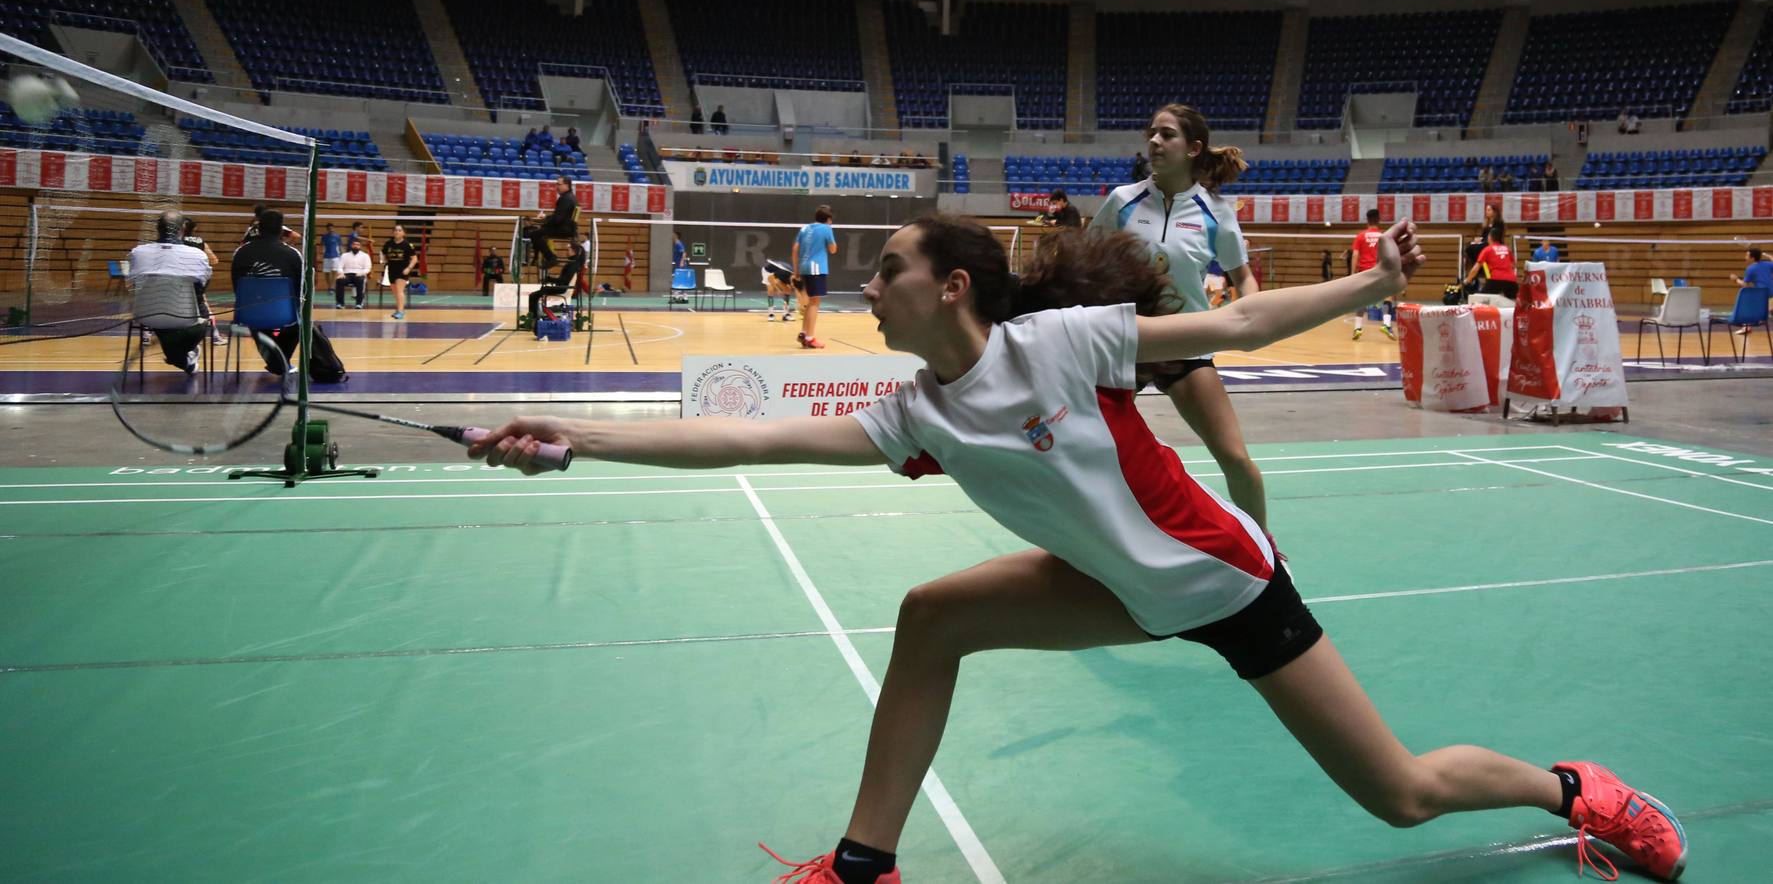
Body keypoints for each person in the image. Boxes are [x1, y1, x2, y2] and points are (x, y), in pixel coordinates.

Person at [468, 215, 1688, 884]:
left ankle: (1576, 790)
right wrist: (568, 437)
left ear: (951, 287)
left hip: (1226, 583)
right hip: (1110, 588)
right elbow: (746, 439)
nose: (866, 280)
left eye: (887, 267)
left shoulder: (1057, 344)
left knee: (1402, 797)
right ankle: (862, 865)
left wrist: (1367, 281)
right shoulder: (914, 414)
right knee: (930, 615)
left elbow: (1242, 319)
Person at [1088, 103, 1268, 529]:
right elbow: (1085, 263)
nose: (1154, 141)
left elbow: (1243, 278)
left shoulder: (1215, 212)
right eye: (1152, 133)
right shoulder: (1122, 202)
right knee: (1091, 454)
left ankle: (1268, 557)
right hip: (1127, 343)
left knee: (1236, 459)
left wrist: (1250, 318)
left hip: (1188, 345)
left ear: (1193, 148)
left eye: (1167, 135)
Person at [129, 210, 211, 375]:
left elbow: (134, 282)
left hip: (147, 317)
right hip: (186, 317)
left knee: (166, 321)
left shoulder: (137, 253)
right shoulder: (198, 255)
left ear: (157, 229)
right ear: (183, 229)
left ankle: (181, 358)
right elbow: (202, 286)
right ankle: (183, 355)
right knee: (201, 318)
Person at [232, 209, 306, 373]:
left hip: (248, 312)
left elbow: (237, 287)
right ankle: (279, 362)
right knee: (298, 325)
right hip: (284, 312)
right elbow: (300, 290)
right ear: (281, 230)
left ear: (259, 228)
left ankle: (277, 362)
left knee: (256, 322)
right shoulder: (293, 254)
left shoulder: (241, 252)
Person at [791, 204, 837, 349]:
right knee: (814, 302)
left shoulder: (805, 228)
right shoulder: (826, 229)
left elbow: (795, 249)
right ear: (829, 219)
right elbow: (833, 249)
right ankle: (810, 338)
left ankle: (804, 333)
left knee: (810, 302)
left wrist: (796, 270)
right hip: (816, 268)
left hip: (804, 267)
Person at [1348, 209, 1393, 340]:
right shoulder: (1384, 236)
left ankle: (1357, 327)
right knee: (1388, 296)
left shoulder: (1361, 236)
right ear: (1379, 220)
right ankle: (1386, 324)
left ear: (1367, 220)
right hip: (1379, 270)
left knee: (1362, 299)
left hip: (1364, 272)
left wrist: (1352, 273)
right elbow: (1388, 255)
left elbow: (1355, 254)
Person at [180, 217, 225, 345]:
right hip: (195, 280)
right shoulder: (201, 243)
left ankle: (146, 335)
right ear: (194, 229)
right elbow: (214, 260)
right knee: (203, 305)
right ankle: (215, 336)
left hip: (177, 281)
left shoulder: (175, 242)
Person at [525, 176, 579, 270]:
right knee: (539, 232)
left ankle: (551, 258)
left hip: (564, 229)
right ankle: (537, 258)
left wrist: (544, 221)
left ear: (566, 185)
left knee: (534, 234)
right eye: (556, 184)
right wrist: (546, 218)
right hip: (567, 227)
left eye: (559, 184)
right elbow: (558, 216)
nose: (556, 186)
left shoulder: (566, 199)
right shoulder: (569, 197)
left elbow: (558, 219)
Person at [528, 240, 585, 327]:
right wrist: (550, 279)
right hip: (563, 287)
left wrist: (549, 279)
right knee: (537, 293)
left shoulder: (573, 265)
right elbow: (562, 280)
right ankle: (536, 318)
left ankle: (534, 320)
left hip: (563, 289)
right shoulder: (573, 264)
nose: (566, 252)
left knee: (533, 296)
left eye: (568, 250)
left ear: (574, 252)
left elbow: (564, 280)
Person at [1463, 228, 1519, 301]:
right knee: (1514, 304)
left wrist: (1468, 280)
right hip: (1511, 281)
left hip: (1495, 280)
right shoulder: (1506, 249)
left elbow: (1475, 269)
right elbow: (1513, 265)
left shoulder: (1487, 250)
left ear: (1490, 237)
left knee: (1480, 302)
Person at [1730, 247, 1773, 335]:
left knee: (1747, 307)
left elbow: (1745, 284)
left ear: (1752, 258)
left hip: (1761, 295)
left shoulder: (1751, 269)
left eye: (1747, 255)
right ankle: (1747, 326)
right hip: (1771, 293)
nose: (1745, 257)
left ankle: (1746, 327)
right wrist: (1769, 256)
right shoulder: (1768, 264)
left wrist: (1736, 279)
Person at [381, 223, 417, 320]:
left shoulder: (407, 245)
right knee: (395, 292)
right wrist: (383, 260)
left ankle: (400, 312)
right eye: (395, 230)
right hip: (391, 270)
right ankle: (398, 310)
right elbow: (383, 253)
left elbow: (414, 259)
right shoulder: (388, 244)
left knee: (400, 290)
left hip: (402, 271)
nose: (397, 232)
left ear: (404, 233)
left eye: (399, 230)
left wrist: (408, 268)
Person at [335, 236, 371, 309]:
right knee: (339, 280)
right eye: (354, 244)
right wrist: (341, 273)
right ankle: (340, 303)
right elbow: (339, 266)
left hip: (359, 274)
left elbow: (368, 268)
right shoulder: (345, 255)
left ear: (360, 246)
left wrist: (361, 273)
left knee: (360, 280)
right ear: (351, 245)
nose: (356, 246)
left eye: (357, 245)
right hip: (347, 275)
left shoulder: (365, 256)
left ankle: (359, 303)